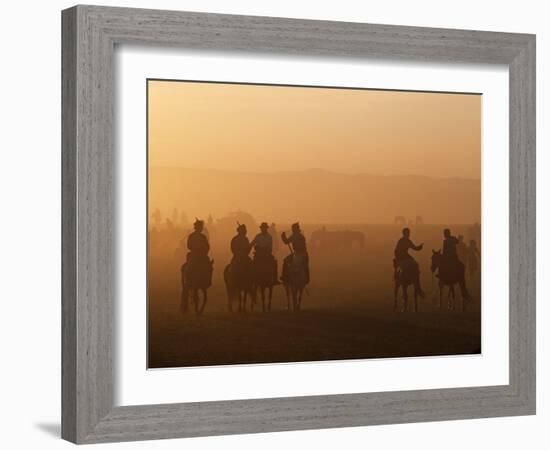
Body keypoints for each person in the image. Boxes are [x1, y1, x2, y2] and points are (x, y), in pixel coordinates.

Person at [393, 227, 424, 295]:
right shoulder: (401, 241)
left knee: (415, 263)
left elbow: (415, 248)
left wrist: (420, 247)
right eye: (407, 233)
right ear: (404, 233)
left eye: (409, 233)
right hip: (401, 257)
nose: (408, 234)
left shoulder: (408, 241)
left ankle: (416, 276)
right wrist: (398, 257)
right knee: (400, 267)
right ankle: (397, 277)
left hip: (406, 256)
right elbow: (396, 251)